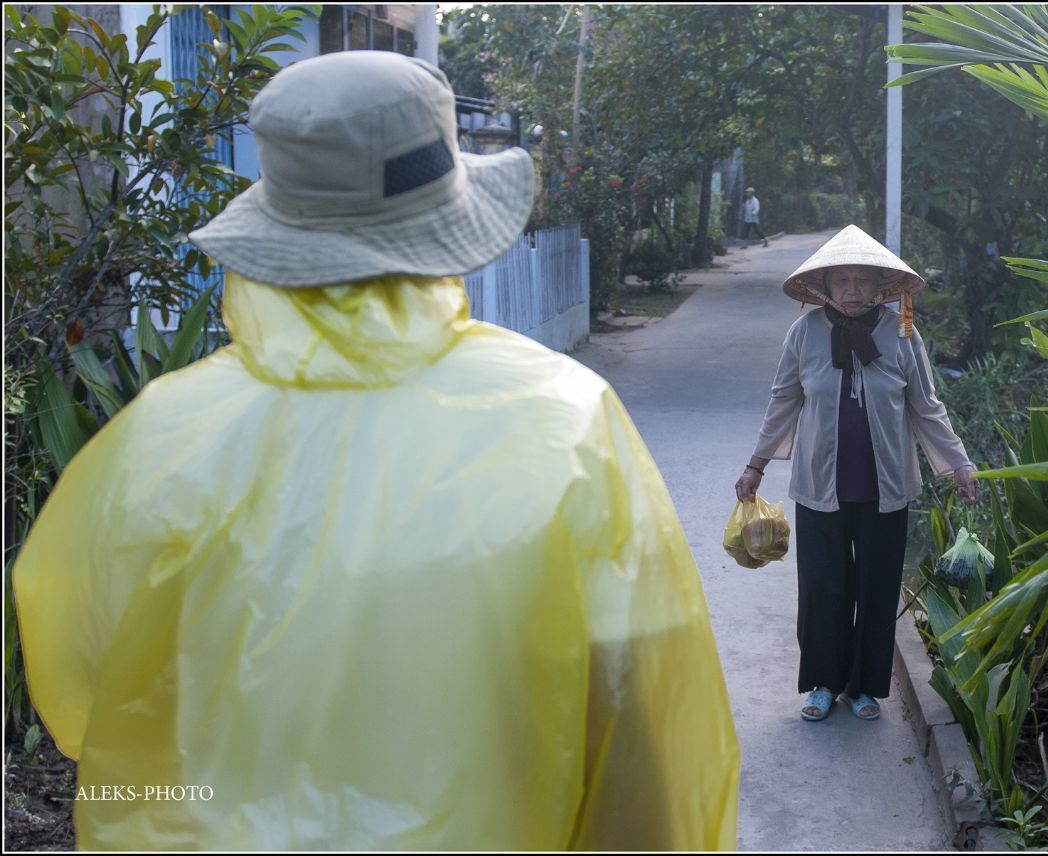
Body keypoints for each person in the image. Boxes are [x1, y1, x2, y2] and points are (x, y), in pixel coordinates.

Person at [13, 51, 739, 850]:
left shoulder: (160, 439)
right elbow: (638, 714)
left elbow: (84, 691)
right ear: (445, 226)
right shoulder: (565, 422)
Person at [734, 225, 979, 723]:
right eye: (840, 279)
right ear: (823, 286)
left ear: (878, 285)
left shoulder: (902, 332)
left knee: (876, 584)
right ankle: (823, 683)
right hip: (820, 485)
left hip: (885, 485)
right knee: (823, 586)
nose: (850, 289)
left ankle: (864, 687)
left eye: (860, 279)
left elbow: (926, 406)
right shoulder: (804, 333)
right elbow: (784, 400)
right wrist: (755, 464)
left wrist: (959, 462)